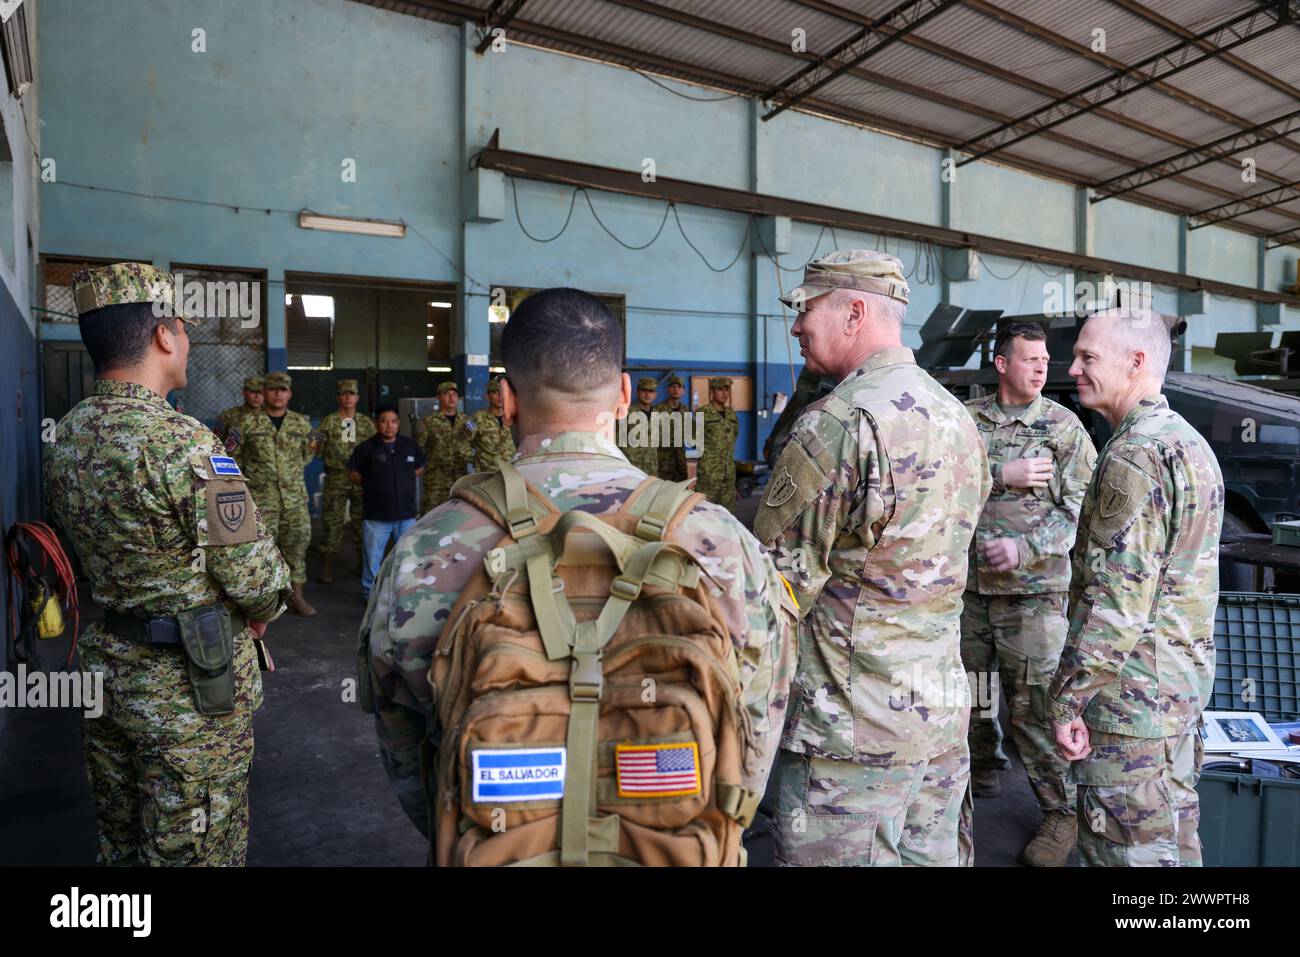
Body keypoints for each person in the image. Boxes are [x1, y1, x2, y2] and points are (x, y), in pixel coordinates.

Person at [359, 287, 795, 859]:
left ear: (508, 400)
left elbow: (409, 752)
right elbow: (758, 726)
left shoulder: (426, 547)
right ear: (622, 395)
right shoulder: (722, 543)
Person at [45, 263, 291, 866]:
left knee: (123, 841)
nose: (187, 342)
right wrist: (259, 612)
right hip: (190, 690)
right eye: (184, 329)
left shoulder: (69, 436)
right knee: (194, 849)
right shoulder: (185, 443)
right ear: (163, 336)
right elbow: (255, 579)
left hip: (109, 671)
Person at [754, 250, 990, 867]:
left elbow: (774, 596)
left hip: (849, 740)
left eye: (806, 310)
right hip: (937, 723)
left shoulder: (837, 424)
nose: (798, 326)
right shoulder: (957, 418)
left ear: (854, 312)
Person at [1048, 308, 1224, 867]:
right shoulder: (1186, 442)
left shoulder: (1134, 455)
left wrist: (1068, 697)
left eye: (1087, 357)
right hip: (1176, 691)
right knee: (1173, 845)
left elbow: (1116, 601)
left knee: (1129, 858)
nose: (1072, 368)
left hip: (1131, 705)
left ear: (1137, 362)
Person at [961, 320, 1096, 867]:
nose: (1042, 368)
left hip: (1033, 596)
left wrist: (1027, 549)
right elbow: (939, 483)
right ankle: (982, 768)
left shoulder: (1064, 430)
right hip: (968, 593)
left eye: (1046, 360)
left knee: (1036, 707)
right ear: (1001, 364)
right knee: (969, 696)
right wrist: (1000, 472)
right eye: (1030, 359)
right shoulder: (966, 421)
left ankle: (1060, 813)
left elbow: (1083, 510)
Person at [233, 370, 318, 616]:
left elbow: (307, 455)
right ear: (264, 392)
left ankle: (297, 597)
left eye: (283, 390)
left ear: (289, 393)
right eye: (273, 389)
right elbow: (233, 458)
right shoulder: (246, 423)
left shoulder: (301, 424)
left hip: (294, 500)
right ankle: (262, 602)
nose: (278, 394)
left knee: (297, 545)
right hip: (262, 500)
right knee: (261, 550)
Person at [347, 404, 426, 602]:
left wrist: (403, 481)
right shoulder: (366, 448)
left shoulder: (409, 446)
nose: (388, 426)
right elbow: (353, 473)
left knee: (407, 558)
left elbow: (420, 467)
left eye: (393, 421)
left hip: (406, 515)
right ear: (377, 424)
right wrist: (375, 485)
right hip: (377, 516)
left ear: (398, 423)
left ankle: (403, 593)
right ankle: (370, 595)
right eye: (383, 421)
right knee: (373, 560)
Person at [317, 378, 376, 583]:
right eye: (344, 394)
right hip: (337, 477)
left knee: (362, 522)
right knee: (332, 522)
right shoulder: (329, 422)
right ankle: (326, 567)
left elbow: (374, 450)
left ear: (357, 398)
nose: (348, 397)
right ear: (338, 397)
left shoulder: (367, 423)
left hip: (361, 479)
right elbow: (317, 450)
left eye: (351, 394)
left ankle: (363, 563)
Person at [415, 380, 470, 514]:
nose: (451, 398)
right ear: (438, 397)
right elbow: (418, 449)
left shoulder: (467, 421)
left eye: (454, 394)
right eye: (446, 394)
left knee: (459, 514)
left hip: (459, 478)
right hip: (436, 481)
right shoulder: (427, 422)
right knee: (432, 515)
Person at [695, 377, 738, 508]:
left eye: (726, 390)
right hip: (709, 474)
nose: (724, 393)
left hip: (728, 474)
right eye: (720, 389)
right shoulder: (702, 413)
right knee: (704, 511)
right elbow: (693, 439)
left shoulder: (731, 414)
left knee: (728, 513)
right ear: (712, 391)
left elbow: (734, 437)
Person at [464, 378, 516, 472]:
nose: (500, 396)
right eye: (495, 392)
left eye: (503, 392)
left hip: (510, 474)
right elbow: (461, 440)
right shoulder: (476, 418)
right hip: (486, 474)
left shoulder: (515, 418)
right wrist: (477, 459)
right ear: (487, 396)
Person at [617, 375, 660, 474]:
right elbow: (618, 441)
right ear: (637, 392)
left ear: (655, 394)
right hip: (631, 467)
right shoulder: (626, 413)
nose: (647, 394)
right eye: (644, 390)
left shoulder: (657, 415)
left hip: (651, 468)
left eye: (651, 391)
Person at [653, 374, 689, 481]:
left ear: (683, 391)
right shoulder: (658, 409)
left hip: (680, 460)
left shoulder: (685, 409)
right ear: (668, 389)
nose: (676, 390)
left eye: (679, 387)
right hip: (663, 460)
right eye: (673, 387)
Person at [216, 375, 263, 447]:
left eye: (261, 393)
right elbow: (215, 442)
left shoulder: (271, 416)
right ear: (244, 392)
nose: (257, 396)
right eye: (253, 392)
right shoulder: (228, 415)